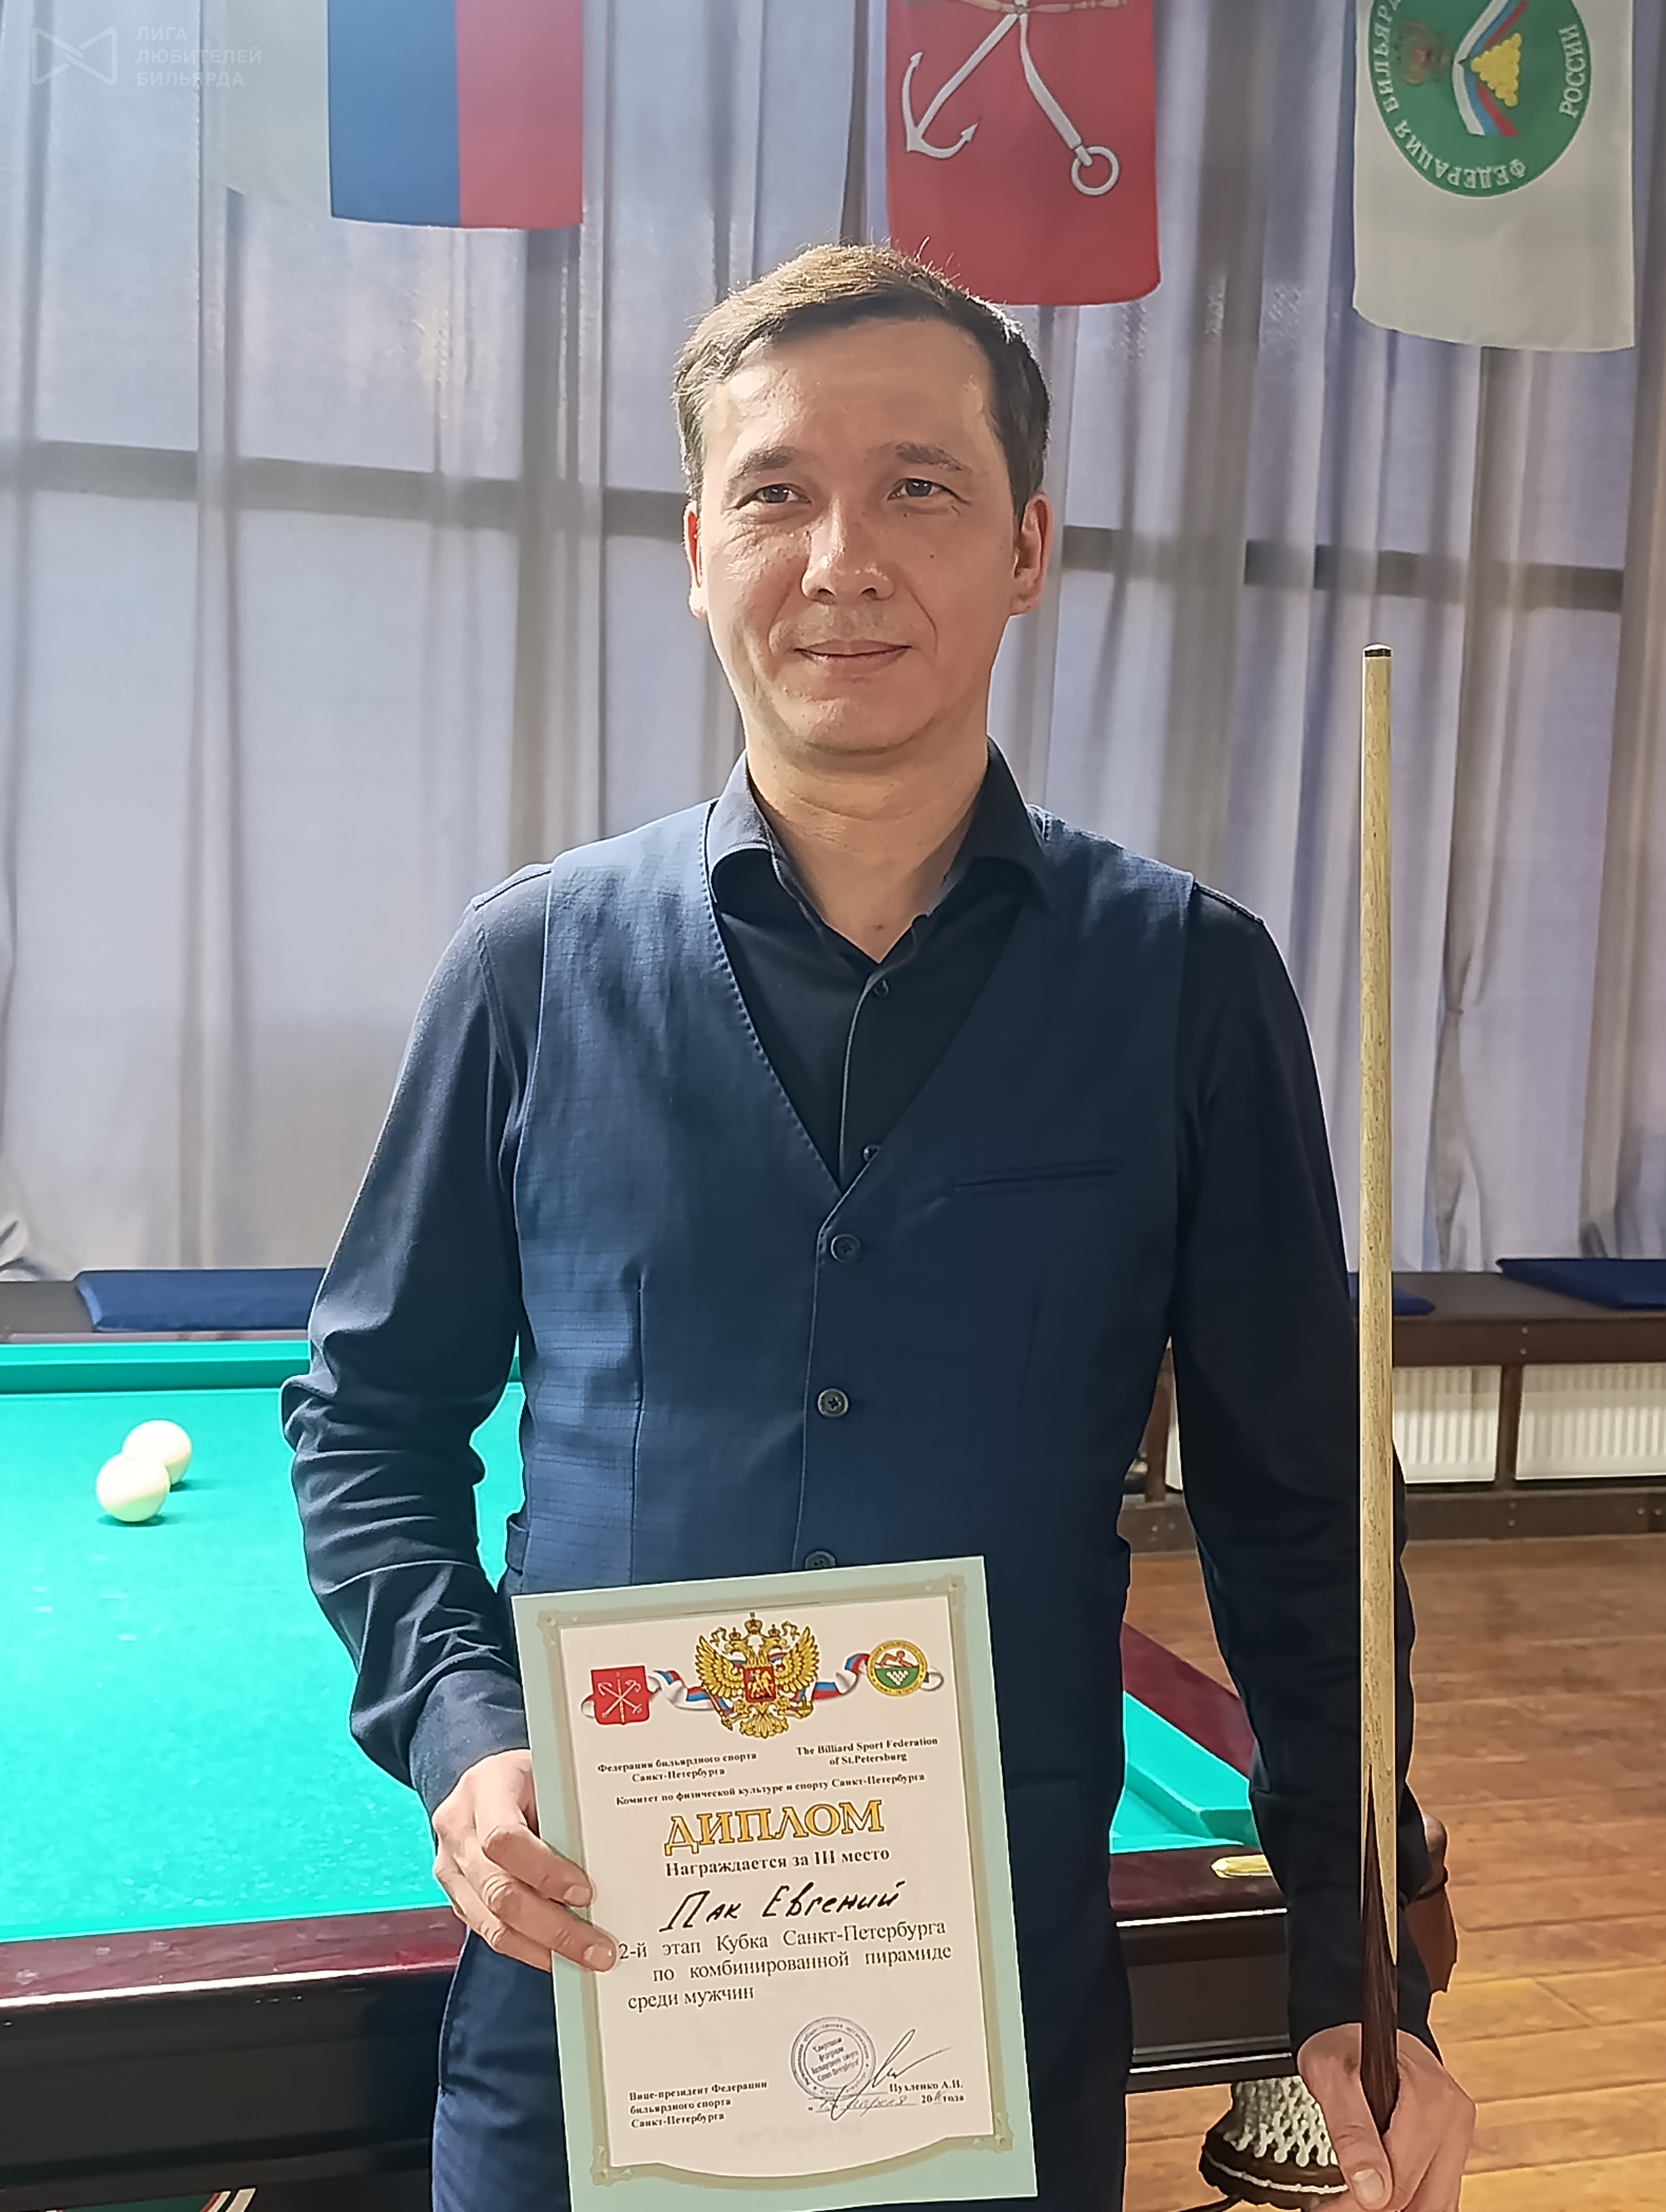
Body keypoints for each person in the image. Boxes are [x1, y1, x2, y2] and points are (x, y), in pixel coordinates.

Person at [285, 245, 1475, 2212]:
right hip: (587, 1996)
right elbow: (367, 1423)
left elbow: (1303, 1518)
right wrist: (463, 1731)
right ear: (699, 554)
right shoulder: (527, 971)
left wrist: (1356, 1976)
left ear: (1026, 547)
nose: (843, 558)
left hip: (999, 2007)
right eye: (777, 493)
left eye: (919, 486)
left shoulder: (1188, 984)